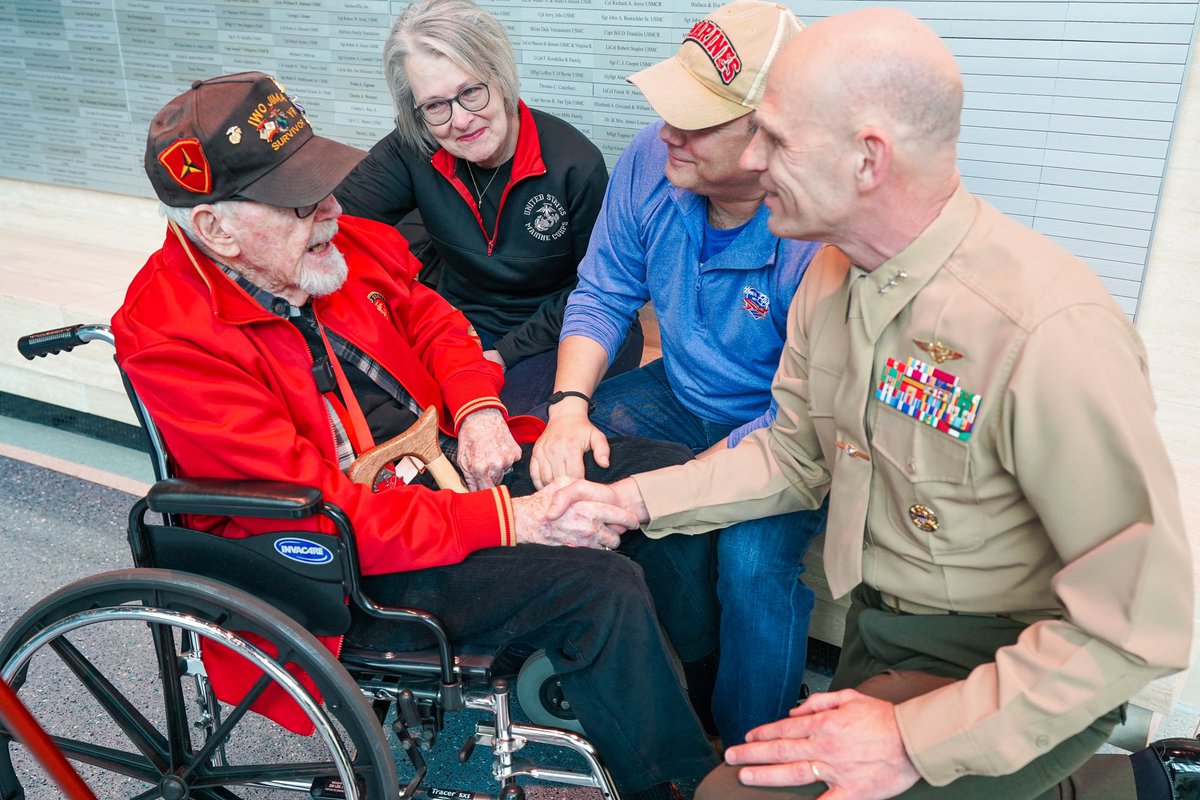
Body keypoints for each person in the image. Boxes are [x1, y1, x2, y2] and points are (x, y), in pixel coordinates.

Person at [551, 7, 1197, 800]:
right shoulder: (832, 276)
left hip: (1012, 665)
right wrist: (627, 500)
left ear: (867, 160)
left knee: (728, 794)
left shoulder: (1044, 331)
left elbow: (1140, 623)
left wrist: (908, 740)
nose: (752, 159)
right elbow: (790, 456)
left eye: (777, 140)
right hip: (881, 630)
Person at [114, 71, 718, 800]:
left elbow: (437, 322)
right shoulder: (169, 336)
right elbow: (322, 505)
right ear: (217, 228)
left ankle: (673, 714)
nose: (334, 210)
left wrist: (478, 408)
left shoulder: (339, 244)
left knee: (660, 481)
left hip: (444, 466)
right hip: (343, 556)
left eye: (326, 184)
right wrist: (514, 519)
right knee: (597, 587)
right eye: (303, 201)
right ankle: (680, 786)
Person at [529, 0, 827, 746]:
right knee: (562, 453)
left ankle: (751, 757)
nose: (668, 133)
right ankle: (630, 689)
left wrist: (690, 481)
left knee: (753, 566)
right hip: (679, 391)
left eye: (695, 122)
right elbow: (602, 290)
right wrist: (568, 406)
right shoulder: (650, 162)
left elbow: (801, 419)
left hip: (788, 427)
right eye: (669, 111)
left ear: (769, 137)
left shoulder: (816, 234)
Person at [335, 0, 641, 414]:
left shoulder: (575, 163)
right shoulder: (416, 144)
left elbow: (595, 291)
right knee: (379, 402)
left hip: (554, 327)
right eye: (436, 106)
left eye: (471, 92)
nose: (460, 120)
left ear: (500, 78)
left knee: (511, 425)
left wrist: (502, 355)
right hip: (456, 324)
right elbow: (334, 221)